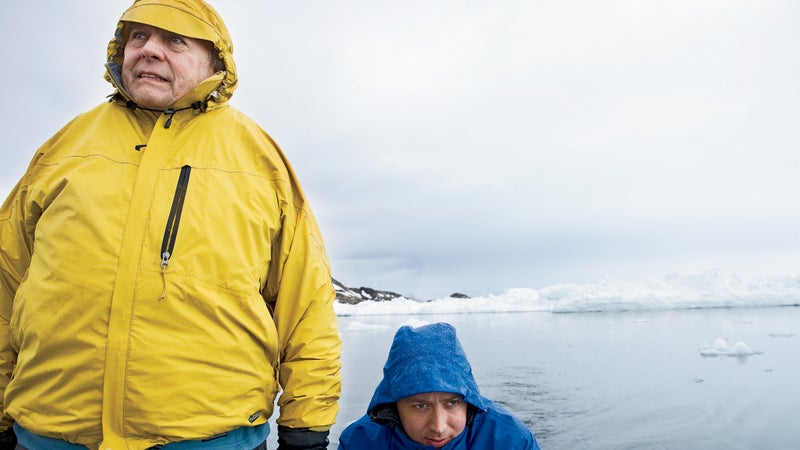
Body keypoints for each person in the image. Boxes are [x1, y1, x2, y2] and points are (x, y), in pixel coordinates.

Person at [0, 1, 341, 449]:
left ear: (215, 61)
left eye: (174, 40)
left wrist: (306, 428)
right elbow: (6, 283)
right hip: (49, 435)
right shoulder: (65, 148)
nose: (149, 50)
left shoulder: (258, 158)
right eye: (137, 37)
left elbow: (306, 303)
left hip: (212, 440)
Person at [338, 322, 541, 449]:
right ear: (393, 405)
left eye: (452, 403)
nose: (439, 427)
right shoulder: (360, 442)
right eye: (420, 405)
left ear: (468, 401)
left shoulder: (510, 441)